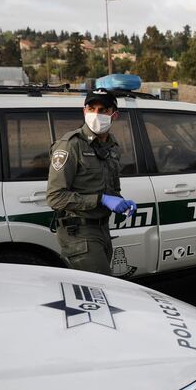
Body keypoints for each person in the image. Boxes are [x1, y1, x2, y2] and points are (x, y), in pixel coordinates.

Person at [46, 88, 137, 275]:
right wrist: (101, 200)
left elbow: (110, 187)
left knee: (96, 292)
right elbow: (55, 197)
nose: (96, 114)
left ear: (114, 115)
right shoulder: (71, 145)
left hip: (102, 229)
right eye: (91, 108)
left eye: (103, 110)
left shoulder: (112, 147)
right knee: (102, 289)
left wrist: (120, 201)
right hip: (79, 233)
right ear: (84, 111)